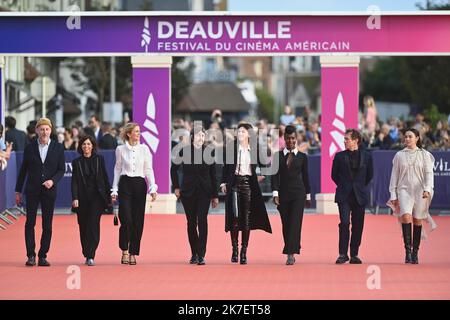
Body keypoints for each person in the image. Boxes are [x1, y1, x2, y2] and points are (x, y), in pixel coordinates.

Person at [15, 118, 65, 267]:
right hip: (32, 190)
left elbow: (61, 169)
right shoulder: (30, 147)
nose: (44, 132)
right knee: (30, 223)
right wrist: (18, 190)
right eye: (41, 129)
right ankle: (31, 255)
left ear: (51, 131)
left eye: (47, 129)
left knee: (47, 225)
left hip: (49, 191)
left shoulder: (58, 148)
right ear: (36, 130)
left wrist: (52, 181)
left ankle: (43, 255)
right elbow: (23, 170)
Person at [220, 123, 272, 265]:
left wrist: (261, 175)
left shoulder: (254, 149)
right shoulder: (231, 148)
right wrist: (223, 183)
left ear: (249, 134)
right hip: (234, 184)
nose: (240, 134)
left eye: (243, 131)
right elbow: (226, 167)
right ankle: (235, 249)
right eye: (239, 131)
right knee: (235, 217)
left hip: (248, 185)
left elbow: (266, 166)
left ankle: (244, 252)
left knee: (247, 219)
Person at [170, 127, 219, 265]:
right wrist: (176, 187)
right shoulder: (183, 151)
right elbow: (173, 169)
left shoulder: (209, 152)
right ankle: (194, 253)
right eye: (198, 135)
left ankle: (201, 254)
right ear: (192, 137)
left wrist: (215, 195)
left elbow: (213, 175)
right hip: (188, 192)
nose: (201, 138)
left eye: (203, 135)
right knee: (191, 223)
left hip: (205, 192)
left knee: (202, 221)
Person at [111, 122, 157, 265]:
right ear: (129, 134)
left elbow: (149, 169)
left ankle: (133, 252)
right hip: (125, 184)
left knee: (138, 221)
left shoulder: (145, 149)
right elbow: (117, 169)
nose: (138, 134)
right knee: (126, 219)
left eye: (139, 131)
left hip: (139, 185)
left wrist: (153, 187)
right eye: (136, 131)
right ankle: (124, 249)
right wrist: (114, 189)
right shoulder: (120, 149)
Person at [387, 128, 435, 264]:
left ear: (417, 138)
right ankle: (407, 251)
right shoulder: (399, 155)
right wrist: (393, 193)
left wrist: (427, 189)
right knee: (406, 217)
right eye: (405, 137)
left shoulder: (425, 155)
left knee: (417, 220)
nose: (407, 139)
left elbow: (429, 174)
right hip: (404, 190)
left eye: (410, 136)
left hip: (421, 191)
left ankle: (415, 253)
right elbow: (394, 176)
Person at [331, 129, 373, 264]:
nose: (344, 141)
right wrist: (344, 185)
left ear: (356, 141)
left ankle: (354, 254)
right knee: (344, 223)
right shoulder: (339, 156)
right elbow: (334, 175)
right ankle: (342, 254)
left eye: (347, 139)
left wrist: (358, 186)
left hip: (359, 195)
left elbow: (369, 175)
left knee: (358, 225)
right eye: (344, 139)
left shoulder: (367, 156)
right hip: (344, 195)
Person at [272, 125, 311, 265]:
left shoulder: (302, 157)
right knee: (286, 224)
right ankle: (292, 246)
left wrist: (308, 196)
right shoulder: (277, 156)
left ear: (297, 139)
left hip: (298, 194)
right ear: (284, 139)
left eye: (293, 138)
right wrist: (275, 194)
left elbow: (306, 177)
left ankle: (290, 253)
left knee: (295, 223)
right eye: (288, 138)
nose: (290, 141)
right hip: (283, 195)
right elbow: (275, 177)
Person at [71, 135, 112, 266]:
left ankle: (91, 254)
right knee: (83, 226)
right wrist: (75, 197)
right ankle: (86, 251)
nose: (86, 147)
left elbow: (105, 178)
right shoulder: (77, 162)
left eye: (88, 144)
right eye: (84, 144)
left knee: (93, 224)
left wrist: (110, 195)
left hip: (97, 198)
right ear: (80, 146)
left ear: (93, 146)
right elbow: (74, 182)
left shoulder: (99, 159)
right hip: (82, 198)